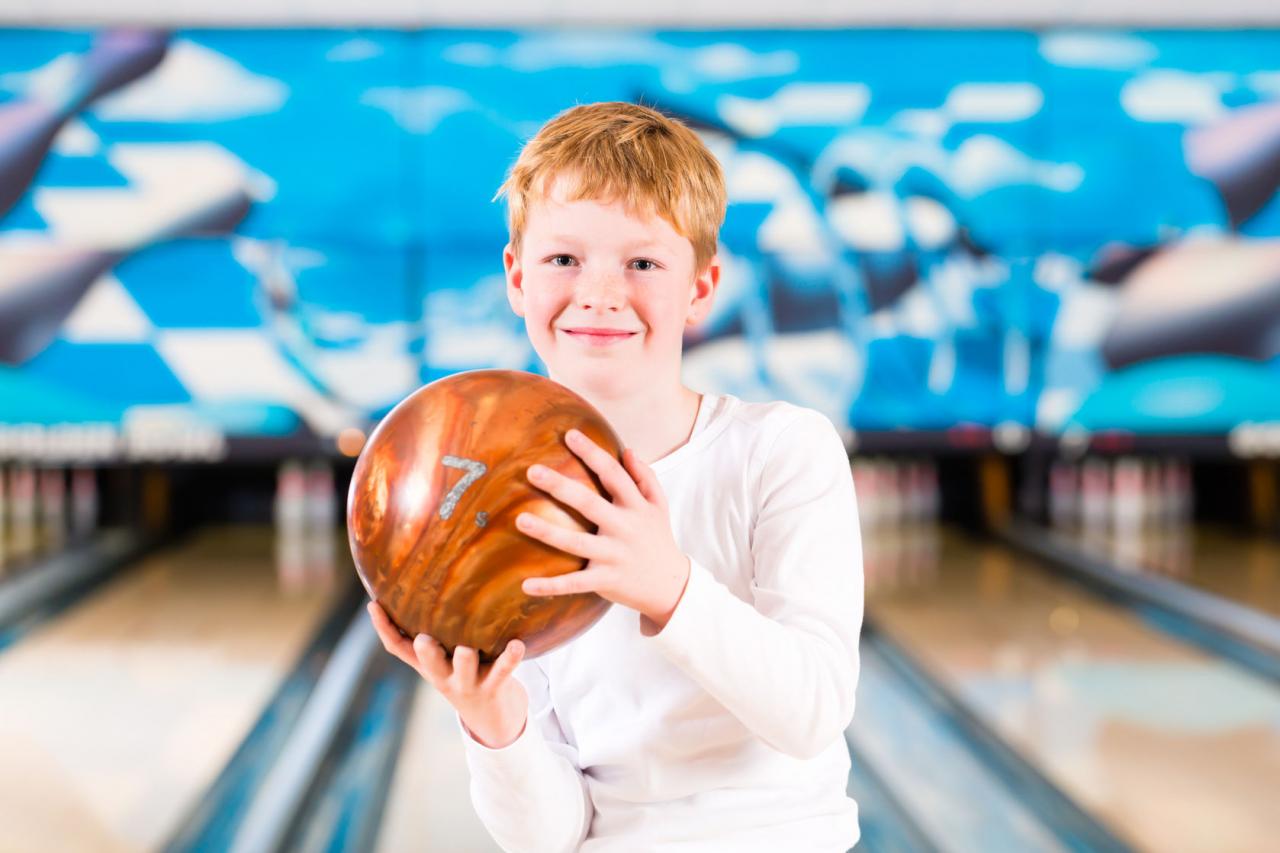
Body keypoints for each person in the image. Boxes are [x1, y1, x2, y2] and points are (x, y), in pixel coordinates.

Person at [367, 101, 864, 851]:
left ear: (700, 286)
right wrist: (494, 720)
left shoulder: (784, 450)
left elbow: (813, 711)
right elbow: (552, 835)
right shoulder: (500, 515)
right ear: (517, 277)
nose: (599, 292)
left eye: (641, 262)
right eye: (564, 259)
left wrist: (667, 584)